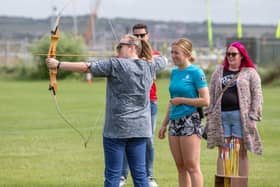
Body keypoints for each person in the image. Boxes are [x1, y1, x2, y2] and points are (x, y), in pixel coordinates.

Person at [46, 34, 167, 187]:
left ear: (131, 47)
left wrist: (58, 64)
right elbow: (164, 60)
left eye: (120, 46)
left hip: (117, 130)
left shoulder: (115, 64)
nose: (117, 49)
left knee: (112, 175)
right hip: (141, 129)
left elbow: (86, 67)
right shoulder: (151, 65)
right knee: (140, 175)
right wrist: (148, 57)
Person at [205, 42, 263, 177]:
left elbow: (257, 94)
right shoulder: (219, 72)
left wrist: (254, 116)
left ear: (241, 56)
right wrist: (209, 112)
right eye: (228, 54)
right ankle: (223, 184)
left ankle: (241, 184)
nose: (230, 57)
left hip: (240, 117)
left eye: (234, 54)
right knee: (223, 151)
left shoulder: (250, 73)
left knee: (241, 151)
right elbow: (212, 92)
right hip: (221, 116)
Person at [158, 38, 209, 187]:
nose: (173, 56)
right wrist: (164, 124)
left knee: (192, 166)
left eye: (177, 53)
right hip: (174, 122)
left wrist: (182, 100)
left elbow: (206, 101)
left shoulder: (196, 72)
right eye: (172, 52)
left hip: (190, 120)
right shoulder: (174, 73)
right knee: (180, 167)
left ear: (187, 54)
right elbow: (172, 100)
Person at [120, 23, 160, 187]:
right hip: (130, 103)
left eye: (142, 35)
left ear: (148, 36)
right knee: (124, 138)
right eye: (136, 36)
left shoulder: (154, 55)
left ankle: (149, 176)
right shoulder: (126, 55)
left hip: (149, 102)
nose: (139, 38)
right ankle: (122, 175)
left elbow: (155, 64)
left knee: (148, 140)